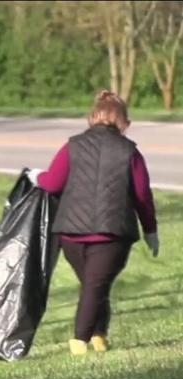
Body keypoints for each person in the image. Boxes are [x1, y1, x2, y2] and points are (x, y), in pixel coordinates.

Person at [27, 90, 159, 356]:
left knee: (94, 286)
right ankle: (80, 341)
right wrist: (150, 230)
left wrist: (34, 176)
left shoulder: (71, 146)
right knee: (95, 286)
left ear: (91, 118)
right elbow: (142, 195)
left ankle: (99, 336)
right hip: (113, 235)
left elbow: (53, 183)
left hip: (71, 233)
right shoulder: (130, 152)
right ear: (125, 123)